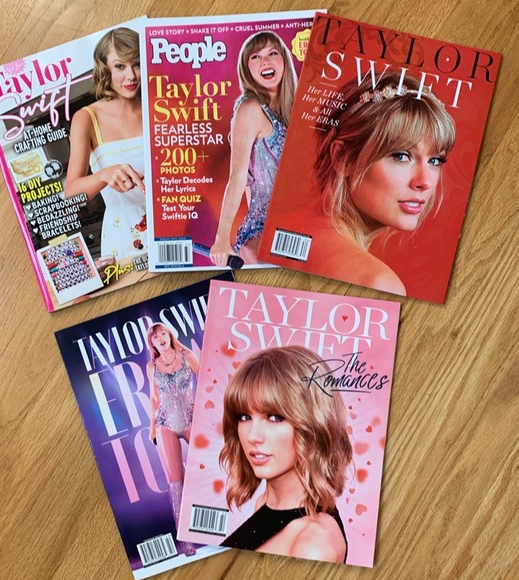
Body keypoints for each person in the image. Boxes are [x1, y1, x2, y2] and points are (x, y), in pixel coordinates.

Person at [311, 71, 457, 295]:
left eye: (435, 160)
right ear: (343, 158)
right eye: (401, 156)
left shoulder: (269, 232)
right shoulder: (377, 282)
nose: (425, 182)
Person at [219, 346, 353, 563]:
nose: (253, 436)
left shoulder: (314, 547)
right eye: (244, 417)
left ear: (313, 424)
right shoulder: (265, 503)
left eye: (274, 417)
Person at [210, 31, 297, 266]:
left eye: (272, 53)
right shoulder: (250, 109)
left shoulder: (293, 111)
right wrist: (221, 238)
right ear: (247, 69)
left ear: (284, 61)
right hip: (263, 230)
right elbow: (239, 177)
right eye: (255, 57)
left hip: (299, 227)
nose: (265, 61)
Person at [65, 27, 147, 261]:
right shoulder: (86, 118)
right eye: (120, 66)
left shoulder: (158, 107)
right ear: (104, 68)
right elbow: (71, 195)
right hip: (123, 235)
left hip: (172, 222)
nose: (131, 76)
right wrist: (104, 174)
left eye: (136, 64)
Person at [146, 323, 200, 556]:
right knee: (175, 481)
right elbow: (154, 398)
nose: (160, 338)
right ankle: (185, 540)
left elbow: (207, 379)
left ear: (169, 335)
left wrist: (206, 409)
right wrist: (152, 428)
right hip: (165, 422)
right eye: (155, 337)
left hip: (190, 417)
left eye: (163, 333)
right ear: (152, 343)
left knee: (210, 465)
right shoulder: (152, 367)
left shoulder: (187, 355)